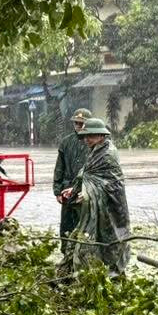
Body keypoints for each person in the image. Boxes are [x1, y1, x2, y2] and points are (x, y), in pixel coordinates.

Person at [61, 117, 130, 274]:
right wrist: (75, 189)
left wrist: (87, 194)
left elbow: (108, 184)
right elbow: (87, 174)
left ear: (101, 136)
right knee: (84, 239)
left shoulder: (108, 154)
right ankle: (75, 273)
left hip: (111, 207)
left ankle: (113, 274)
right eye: (85, 136)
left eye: (90, 136)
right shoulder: (96, 151)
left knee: (111, 240)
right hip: (95, 208)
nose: (86, 140)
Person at [53, 108, 92, 251]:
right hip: (67, 190)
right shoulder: (66, 142)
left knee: (84, 224)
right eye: (76, 123)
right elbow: (59, 168)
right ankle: (66, 252)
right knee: (66, 225)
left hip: (85, 191)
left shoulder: (92, 143)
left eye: (82, 123)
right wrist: (57, 190)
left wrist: (88, 190)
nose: (78, 126)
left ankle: (82, 253)